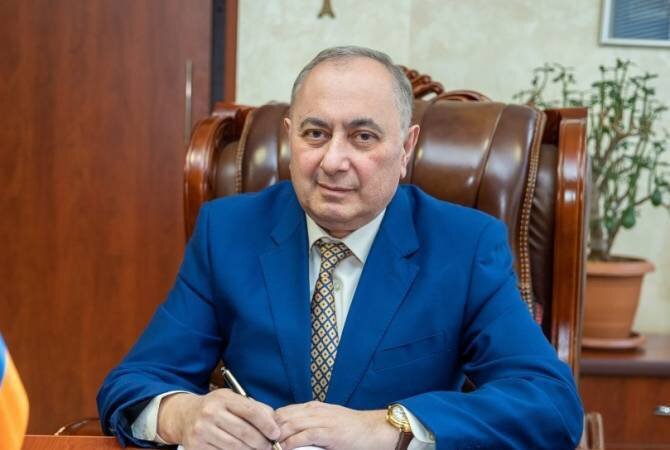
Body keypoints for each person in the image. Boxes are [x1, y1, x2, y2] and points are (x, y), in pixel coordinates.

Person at [98, 46, 583, 450]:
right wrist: (183, 414)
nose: (333, 160)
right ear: (289, 139)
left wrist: (390, 427)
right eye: (315, 133)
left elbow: (550, 404)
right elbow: (133, 383)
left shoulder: (465, 246)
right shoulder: (227, 232)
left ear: (405, 149)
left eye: (363, 137)